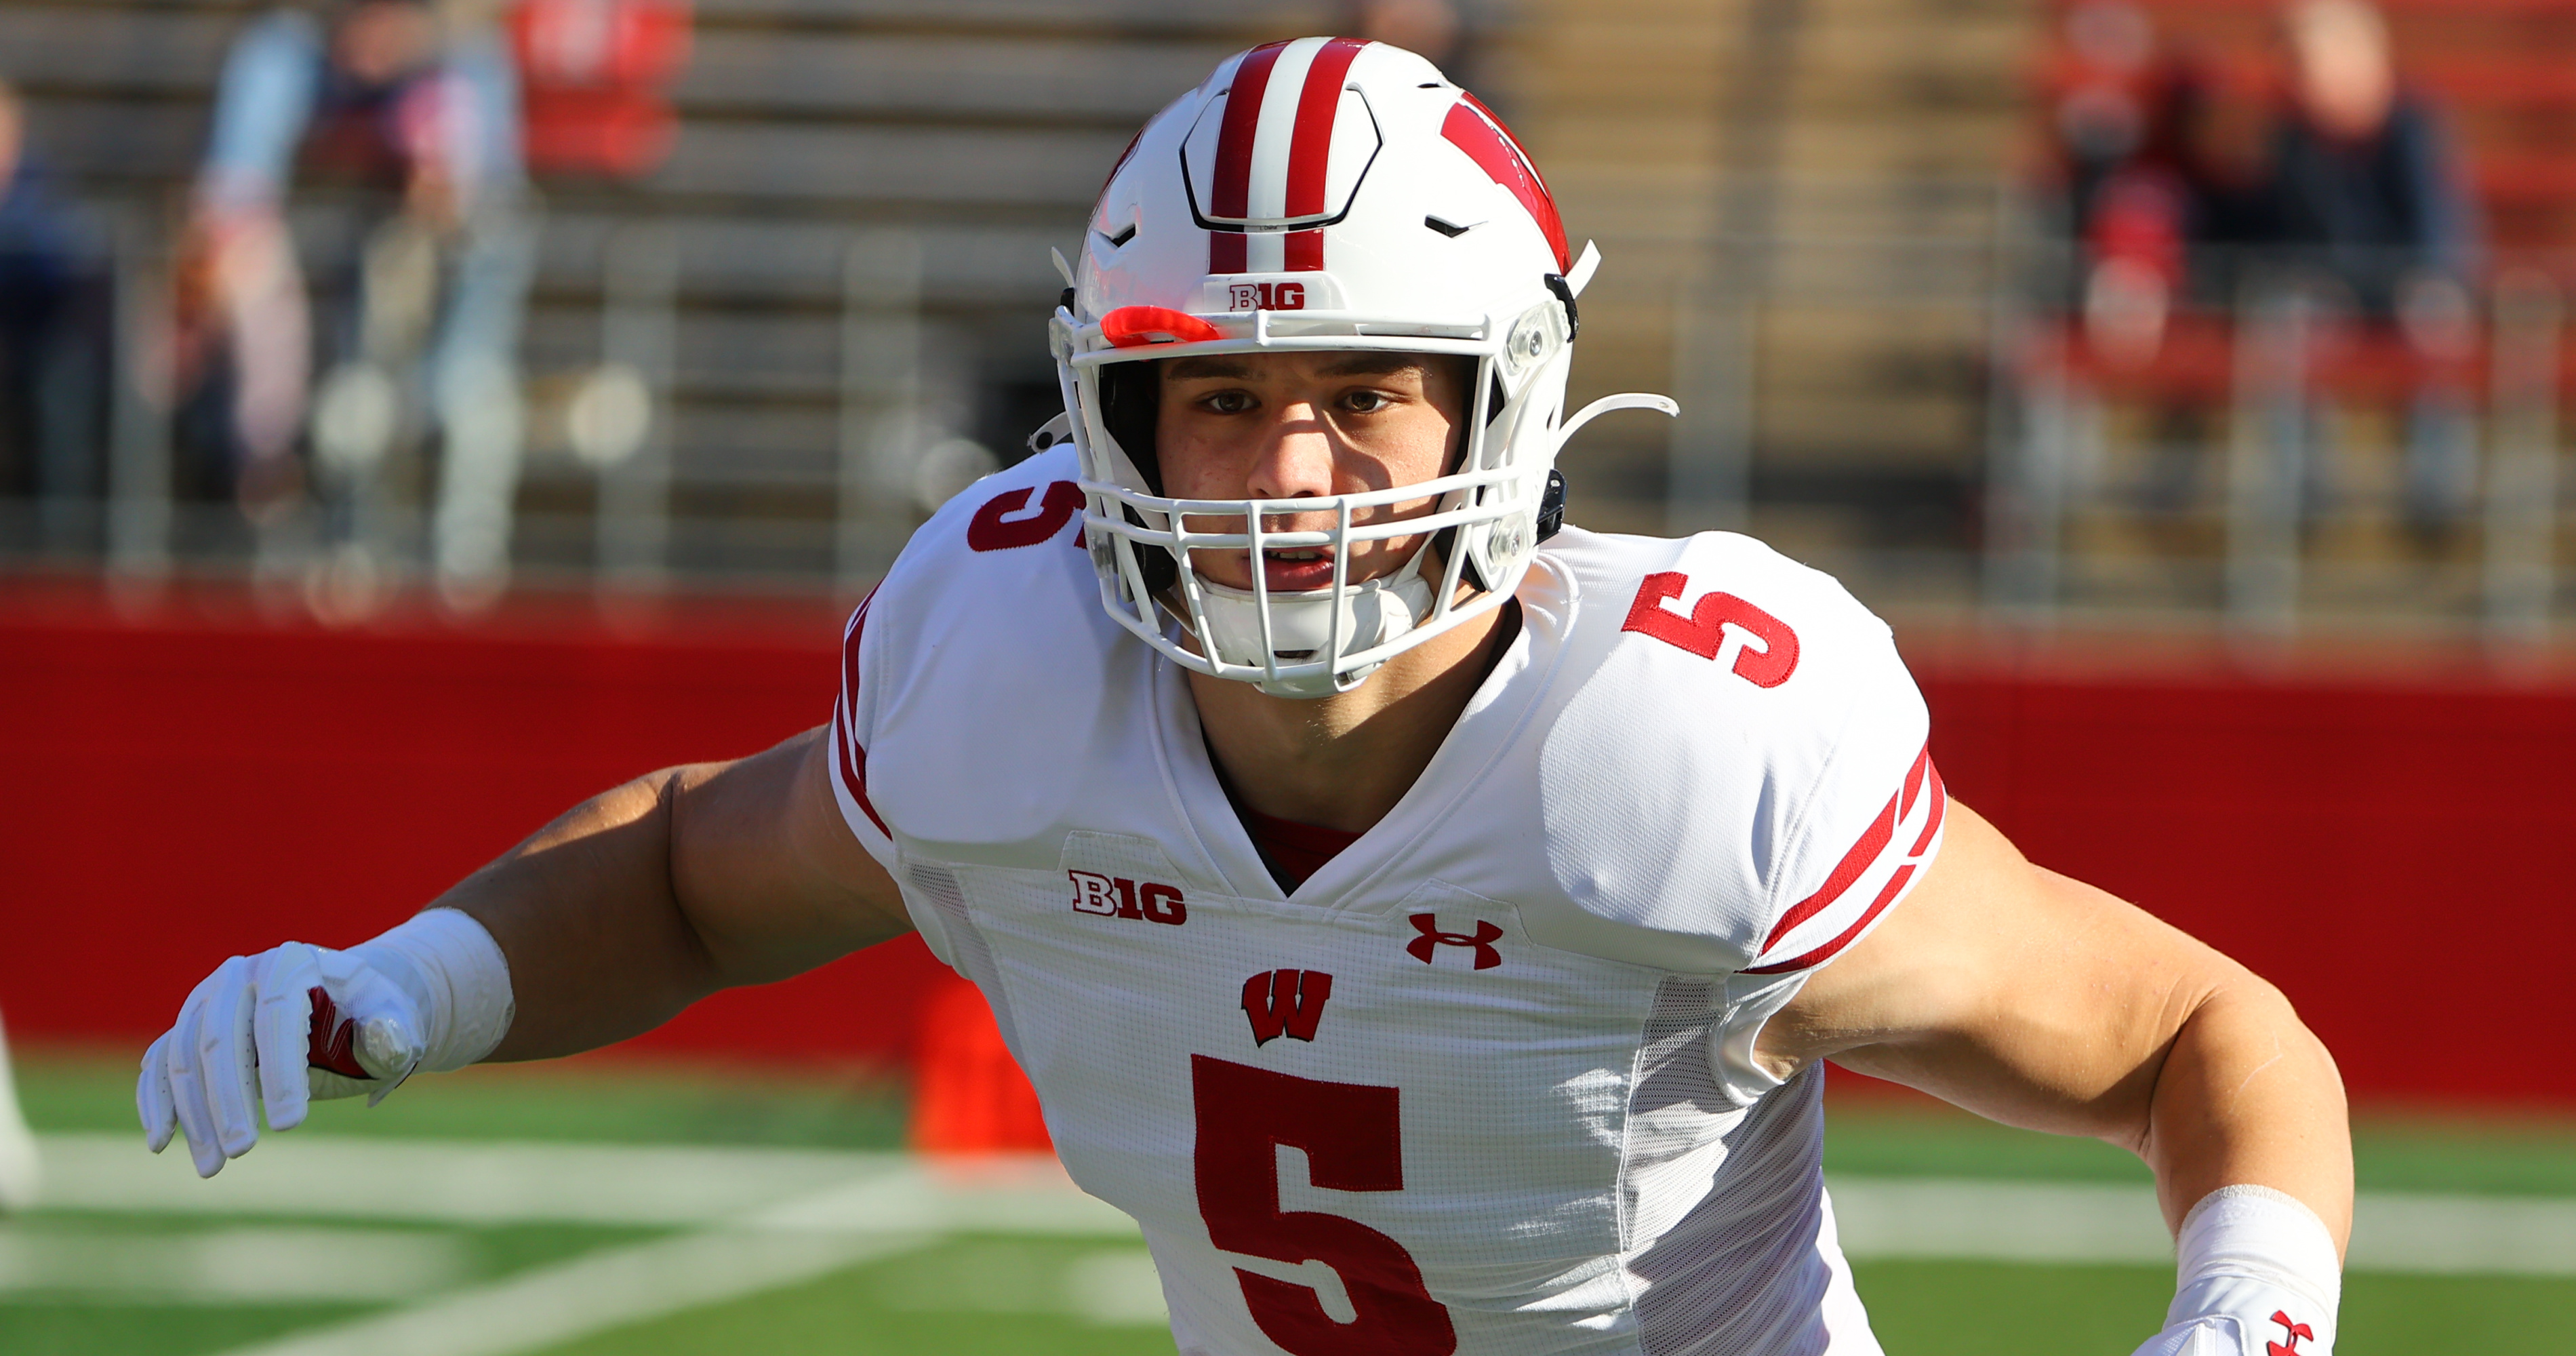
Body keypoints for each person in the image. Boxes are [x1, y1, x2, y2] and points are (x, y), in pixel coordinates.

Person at [138, 39, 2350, 1356]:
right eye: (1221, 401)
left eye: (1367, 392)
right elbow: (709, 876)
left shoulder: (1676, 751)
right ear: (1109, 421)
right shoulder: (1012, 669)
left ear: (1509, 403)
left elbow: (2200, 1039)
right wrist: (412, 980)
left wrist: (2245, 1316)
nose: (1290, 472)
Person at [180, 0, 532, 602]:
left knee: (465, 396)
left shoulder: (463, 62)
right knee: (268, 58)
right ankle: (334, 537)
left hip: (434, 88)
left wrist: (412, 40)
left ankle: (462, 557)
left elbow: (471, 20)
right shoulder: (298, 48)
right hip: (334, 60)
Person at [2255, 0, 2482, 534]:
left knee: (2436, 316)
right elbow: (2293, 238)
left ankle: (2437, 497)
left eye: (2306, 63)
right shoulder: (2295, 140)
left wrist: (2410, 283)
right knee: (2285, 319)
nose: (2297, 79)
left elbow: (2439, 242)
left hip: (2411, 287)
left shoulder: (2415, 128)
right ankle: (2303, 498)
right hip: (2337, 288)